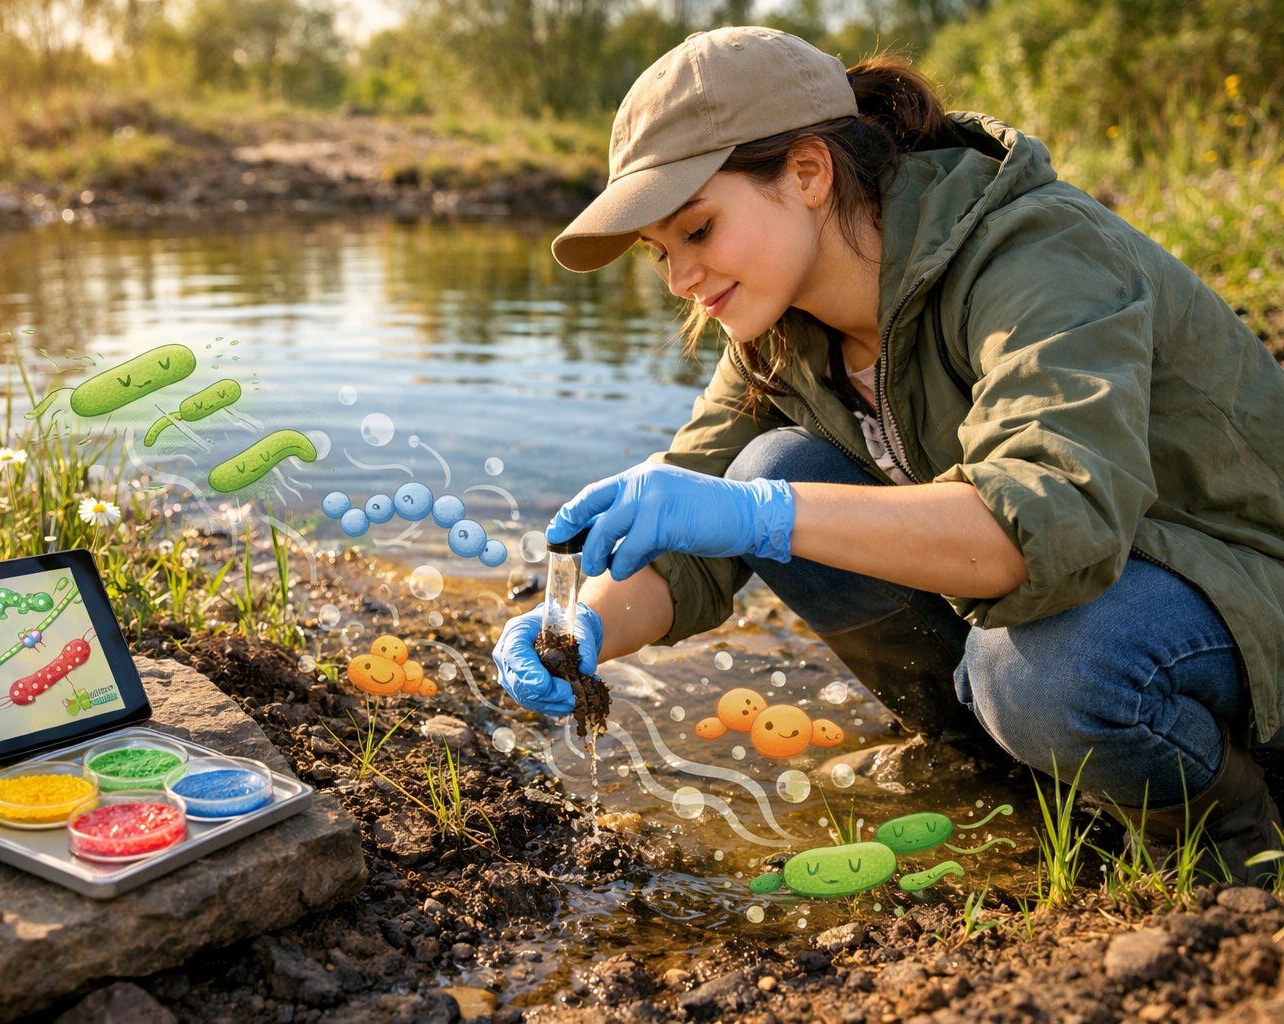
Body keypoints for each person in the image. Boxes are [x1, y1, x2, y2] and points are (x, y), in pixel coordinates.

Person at [491, 26, 1284, 882]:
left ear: (807, 173)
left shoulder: (1036, 254)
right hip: (1086, 590)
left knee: (1038, 674)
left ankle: (1234, 847)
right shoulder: (777, 330)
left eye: (699, 229)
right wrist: (583, 630)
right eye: (661, 253)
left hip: (1234, 588)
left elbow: (1050, 521)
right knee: (770, 471)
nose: (681, 277)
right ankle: (1001, 772)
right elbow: (694, 520)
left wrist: (763, 518)